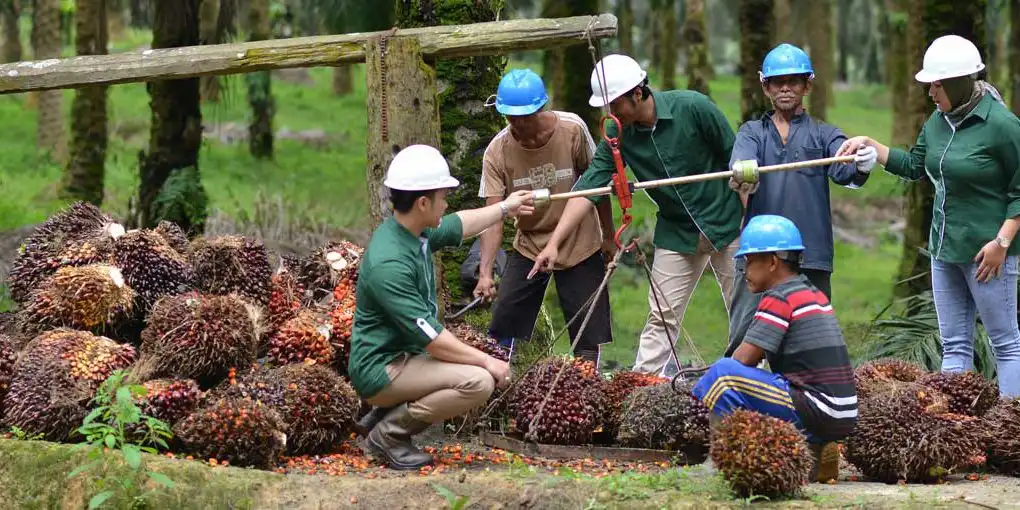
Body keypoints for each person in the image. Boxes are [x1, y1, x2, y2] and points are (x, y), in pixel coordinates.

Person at [529, 53, 743, 376]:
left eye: (615, 104)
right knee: (661, 315)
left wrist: (751, 217)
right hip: (677, 232)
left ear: (639, 93)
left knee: (743, 308)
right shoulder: (617, 136)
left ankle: (753, 380)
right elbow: (587, 189)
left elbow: (738, 158)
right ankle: (641, 388)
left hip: (727, 223)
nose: (610, 113)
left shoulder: (694, 107)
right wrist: (554, 243)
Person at [837, 34, 1020, 398]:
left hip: (989, 256)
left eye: (936, 84)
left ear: (959, 81)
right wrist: (873, 148)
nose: (930, 92)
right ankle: (956, 428)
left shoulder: (1002, 125)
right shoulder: (937, 122)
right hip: (943, 250)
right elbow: (915, 166)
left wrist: (1002, 242)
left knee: (1005, 344)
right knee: (953, 345)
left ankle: (1011, 431)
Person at [348, 144, 535, 470]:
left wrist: (506, 207)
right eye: (442, 196)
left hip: (406, 355)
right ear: (422, 202)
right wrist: (489, 361)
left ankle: (383, 415)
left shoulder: (412, 231)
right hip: (382, 368)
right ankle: (389, 434)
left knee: (473, 370)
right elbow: (432, 339)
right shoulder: (389, 263)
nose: (446, 202)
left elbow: (460, 223)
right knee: (478, 382)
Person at [721, 43, 877, 357]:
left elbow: (844, 166)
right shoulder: (752, 133)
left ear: (808, 85)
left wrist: (860, 163)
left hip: (811, 255)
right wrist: (742, 174)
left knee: (812, 344)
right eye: (778, 82)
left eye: (794, 81)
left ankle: (804, 401)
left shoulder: (824, 133)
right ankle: (734, 396)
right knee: (743, 340)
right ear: (766, 86)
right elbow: (743, 167)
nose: (786, 88)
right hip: (759, 254)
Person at [692, 214, 858, 483]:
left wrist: (702, 385)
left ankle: (719, 461)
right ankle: (815, 451)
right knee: (741, 379)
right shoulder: (812, 293)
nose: (745, 270)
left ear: (772, 262)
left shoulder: (780, 296)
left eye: (749, 261)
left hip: (817, 408)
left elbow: (742, 360)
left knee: (723, 376)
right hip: (842, 413)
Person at [476, 68, 616, 364]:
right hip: (531, 243)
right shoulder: (497, 151)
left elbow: (598, 182)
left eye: (524, 117)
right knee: (504, 321)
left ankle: (585, 384)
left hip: (580, 242)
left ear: (540, 109)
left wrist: (608, 236)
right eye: (510, 117)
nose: (516, 124)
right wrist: (486, 272)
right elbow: (493, 217)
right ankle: (497, 380)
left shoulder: (572, 130)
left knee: (587, 331)